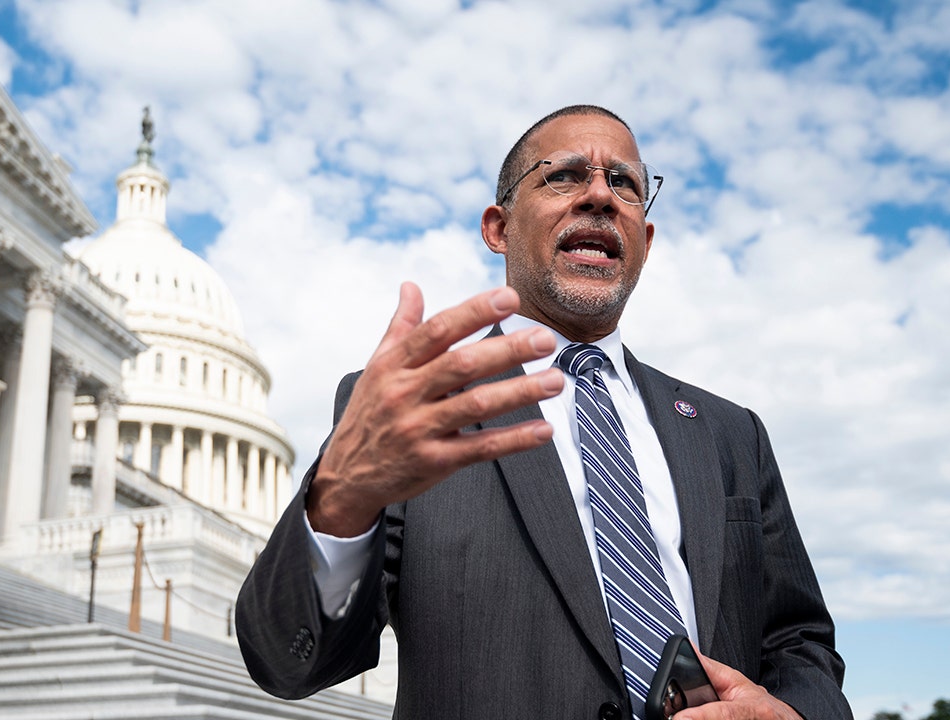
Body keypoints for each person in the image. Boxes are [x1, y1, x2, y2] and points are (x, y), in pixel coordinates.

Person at [235, 105, 851, 720]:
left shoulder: (730, 433)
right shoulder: (414, 409)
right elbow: (289, 662)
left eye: (626, 184)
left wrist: (793, 715)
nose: (600, 196)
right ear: (498, 228)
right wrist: (342, 497)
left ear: (646, 239)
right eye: (563, 175)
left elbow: (800, 645)